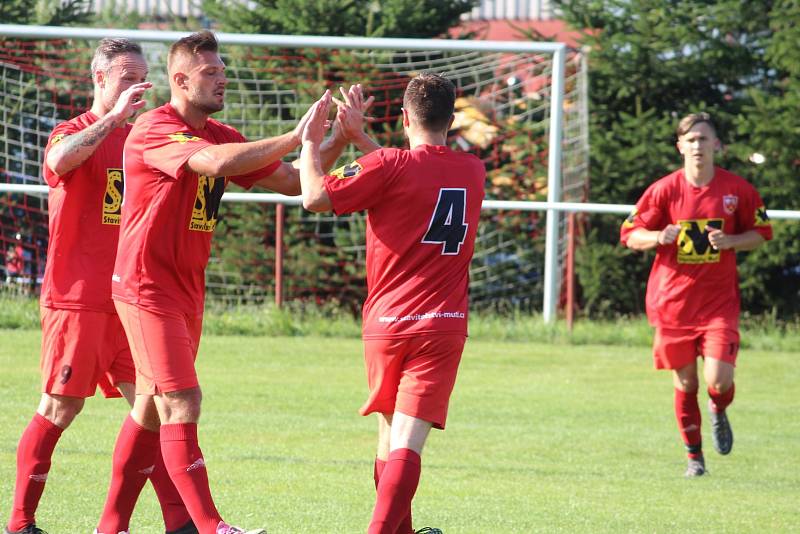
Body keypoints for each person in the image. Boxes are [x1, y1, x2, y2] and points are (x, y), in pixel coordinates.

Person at [102, 31, 351, 534]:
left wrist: (340, 136)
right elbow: (213, 164)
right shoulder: (154, 127)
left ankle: (110, 528)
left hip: (186, 290)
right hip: (147, 287)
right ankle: (210, 526)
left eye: (222, 70)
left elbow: (291, 177)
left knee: (151, 410)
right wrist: (295, 136)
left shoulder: (220, 133)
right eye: (210, 73)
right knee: (183, 401)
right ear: (180, 80)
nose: (223, 78)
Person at [5, 38, 194, 534]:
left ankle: (177, 523)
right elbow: (60, 162)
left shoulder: (143, 140)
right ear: (99, 78)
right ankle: (21, 522)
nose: (136, 86)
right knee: (61, 406)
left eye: (142, 77)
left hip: (131, 300)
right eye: (126, 76)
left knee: (154, 407)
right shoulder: (77, 130)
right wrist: (112, 119)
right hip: (78, 298)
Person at [299, 74, 486, 533]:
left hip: (385, 326)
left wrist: (310, 142)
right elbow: (416, 169)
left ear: (403, 118)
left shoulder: (387, 165)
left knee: (389, 437)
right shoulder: (472, 170)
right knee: (406, 440)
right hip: (440, 325)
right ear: (453, 119)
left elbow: (314, 195)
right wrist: (360, 138)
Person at [620, 112, 772, 477]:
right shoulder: (664, 190)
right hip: (673, 305)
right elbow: (629, 233)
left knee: (718, 381)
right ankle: (694, 459)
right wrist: (658, 237)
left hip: (719, 305)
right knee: (686, 383)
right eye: (690, 140)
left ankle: (719, 408)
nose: (698, 146)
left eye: (704, 139)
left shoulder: (738, 190)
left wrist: (733, 240)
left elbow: (762, 232)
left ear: (717, 145)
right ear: (680, 147)